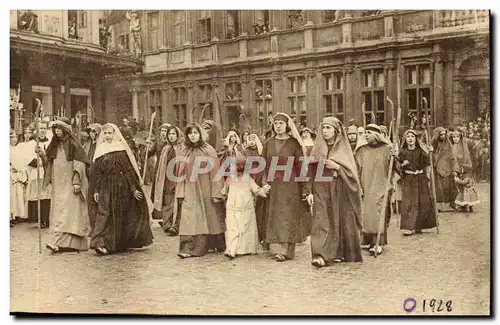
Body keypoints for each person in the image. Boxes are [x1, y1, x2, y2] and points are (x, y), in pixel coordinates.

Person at [89, 123, 154, 255]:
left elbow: (128, 171)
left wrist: (133, 189)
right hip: (106, 186)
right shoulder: (100, 150)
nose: (107, 136)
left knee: (118, 214)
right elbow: (99, 173)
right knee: (104, 213)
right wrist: (96, 189)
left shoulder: (120, 149)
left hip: (121, 186)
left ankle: (114, 244)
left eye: (109, 133)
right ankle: (99, 242)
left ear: (114, 134)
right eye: (105, 133)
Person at [307, 117, 363, 267]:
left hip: (339, 188)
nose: (325, 131)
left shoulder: (344, 150)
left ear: (336, 131)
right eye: (323, 128)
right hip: (321, 187)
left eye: (328, 128)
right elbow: (310, 171)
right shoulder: (317, 149)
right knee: (321, 220)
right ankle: (319, 254)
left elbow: (352, 174)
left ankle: (338, 253)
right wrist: (309, 192)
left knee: (339, 219)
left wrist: (337, 167)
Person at [258, 112, 311, 262]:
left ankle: (287, 250)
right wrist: (264, 183)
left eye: (281, 123)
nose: (278, 126)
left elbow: (301, 166)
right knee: (275, 216)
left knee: (288, 216)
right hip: (273, 185)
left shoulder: (294, 144)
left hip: (290, 185)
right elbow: (262, 165)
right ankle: (277, 248)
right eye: (276, 124)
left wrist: (305, 188)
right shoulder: (268, 143)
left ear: (287, 125)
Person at [41, 118, 91, 253]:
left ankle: (68, 242)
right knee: (59, 211)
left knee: (70, 211)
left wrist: (76, 181)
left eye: (59, 129)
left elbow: (79, 162)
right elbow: (49, 162)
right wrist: (41, 155)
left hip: (70, 183)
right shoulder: (54, 146)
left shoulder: (73, 144)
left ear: (65, 130)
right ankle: (58, 241)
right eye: (55, 130)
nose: (57, 132)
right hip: (58, 184)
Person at [175, 123, 226, 258]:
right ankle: (189, 248)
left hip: (206, 188)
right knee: (189, 217)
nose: (193, 136)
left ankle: (212, 244)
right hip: (190, 189)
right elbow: (179, 173)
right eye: (190, 133)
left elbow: (216, 172)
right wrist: (180, 192)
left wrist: (216, 192)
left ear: (200, 134)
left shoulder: (208, 150)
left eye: (195, 133)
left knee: (209, 216)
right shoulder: (184, 150)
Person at [355, 124, 395, 256]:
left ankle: (378, 243)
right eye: (364, 132)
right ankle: (368, 240)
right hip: (366, 185)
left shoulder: (386, 149)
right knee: (366, 214)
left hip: (380, 185)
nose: (366, 135)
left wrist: (394, 157)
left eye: (369, 132)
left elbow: (394, 167)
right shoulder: (361, 150)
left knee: (378, 213)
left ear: (376, 135)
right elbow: (356, 168)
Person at [223, 155, 270, 259]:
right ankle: (232, 250)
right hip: (234, 209)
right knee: (236, 229)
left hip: (244, 209)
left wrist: (265, 190)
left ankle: (241, 249)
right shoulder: (231, 179)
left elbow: (257, 190)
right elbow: (225, 191)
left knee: (239, 229)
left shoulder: (246, 179)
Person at [396, 130, 437, 236]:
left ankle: (419, 225)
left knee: (422, 201)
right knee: (409, 202)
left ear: (415, 139)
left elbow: (428, 162)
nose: (410, 138)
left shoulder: (420, 151)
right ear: (405, 139)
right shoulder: (402, 152)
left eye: (412, 137)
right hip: (409, 179)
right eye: (408, 136)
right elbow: (397, 166)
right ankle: (409, 227)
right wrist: (402, 165)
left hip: (420, 178)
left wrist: (431, 153)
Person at [153, 125, 185, 235]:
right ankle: (167, 224)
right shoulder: (165, 149)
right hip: (166, 179)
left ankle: (176, 225)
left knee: (177, 202)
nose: (171, 136)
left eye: (173, 134)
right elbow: (162, 165)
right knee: (167, 201)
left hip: (178, 178)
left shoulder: (182, 148)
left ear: (178, 135)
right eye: (169, 134)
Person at [24, 121, 52, 227]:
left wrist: (46, 159)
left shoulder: (50, 142)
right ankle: (40, 220)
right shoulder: (32, 143)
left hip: (47, 172)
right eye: (41, 128)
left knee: (47, 197)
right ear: (37, 130)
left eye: (45, 128)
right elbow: (27, 158)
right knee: (38, 196)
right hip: (37, 172)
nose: (43, 130)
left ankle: (47, 219)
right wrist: (39, 160)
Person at [432, 127, 459, 212]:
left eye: (444, 134)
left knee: (449, 187)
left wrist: (454, 169)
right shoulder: (433, 144)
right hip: (437, 169)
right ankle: (439, 206)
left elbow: (453, 157)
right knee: (438, 188)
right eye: (441, 135)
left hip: (448, 169)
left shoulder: (448, 144)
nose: (443, 136)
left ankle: (450, 205)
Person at [10, 131, 27, 226]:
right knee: (11, 197)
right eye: (12, 138)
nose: (14, 139)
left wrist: (21, 171)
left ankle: (17, 215)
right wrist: (11, 168)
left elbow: (22, 162)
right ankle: (11, 217)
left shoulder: (18, 149)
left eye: (15, 138)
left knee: (18, 196)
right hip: (11, 174)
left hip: (18, 174)